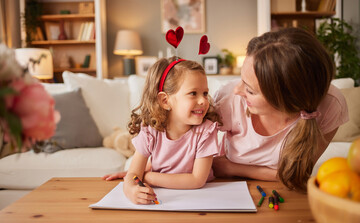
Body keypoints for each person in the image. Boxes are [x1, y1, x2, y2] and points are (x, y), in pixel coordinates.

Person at [212, 27, 348, 192]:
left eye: (250, 90)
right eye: (241, 79)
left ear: (284, 99)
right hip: (228, 187)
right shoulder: (229, 99)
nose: (237, 90)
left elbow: (297, 175)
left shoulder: (331, 105)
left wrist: (230, 167)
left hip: (284, 192)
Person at [103, 56, 221, 204]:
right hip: (163, 199)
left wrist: (147, 176)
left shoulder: (206, 131)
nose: (204, 100)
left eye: (205, 93)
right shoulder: (150, 132)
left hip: (201, 198)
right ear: (165, 101)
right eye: (193, 93)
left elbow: (197, 180)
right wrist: (131, 191)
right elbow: (133, 174)